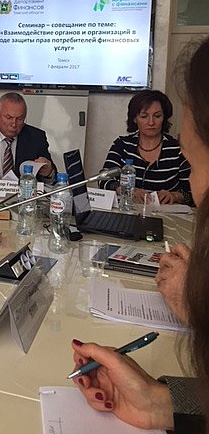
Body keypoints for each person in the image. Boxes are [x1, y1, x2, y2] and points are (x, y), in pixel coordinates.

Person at [71, 37, 209, 433]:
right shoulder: (123, 146)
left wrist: (198, 308)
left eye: (194, 165)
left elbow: (186, 192)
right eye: (145, 115)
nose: (193, 182)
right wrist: (156, 400)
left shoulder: (173, 151)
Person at [100, 89, 192, 205]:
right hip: (128, 211)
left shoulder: (178, 150)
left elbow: (193, 194)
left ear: (164, 118)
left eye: (157, 116)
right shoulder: (122, 145)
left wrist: (175, 196)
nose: (151, 122)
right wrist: (124, 190)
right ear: (135, 119)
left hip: (165, 213)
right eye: (144, 116)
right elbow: (103, 179)